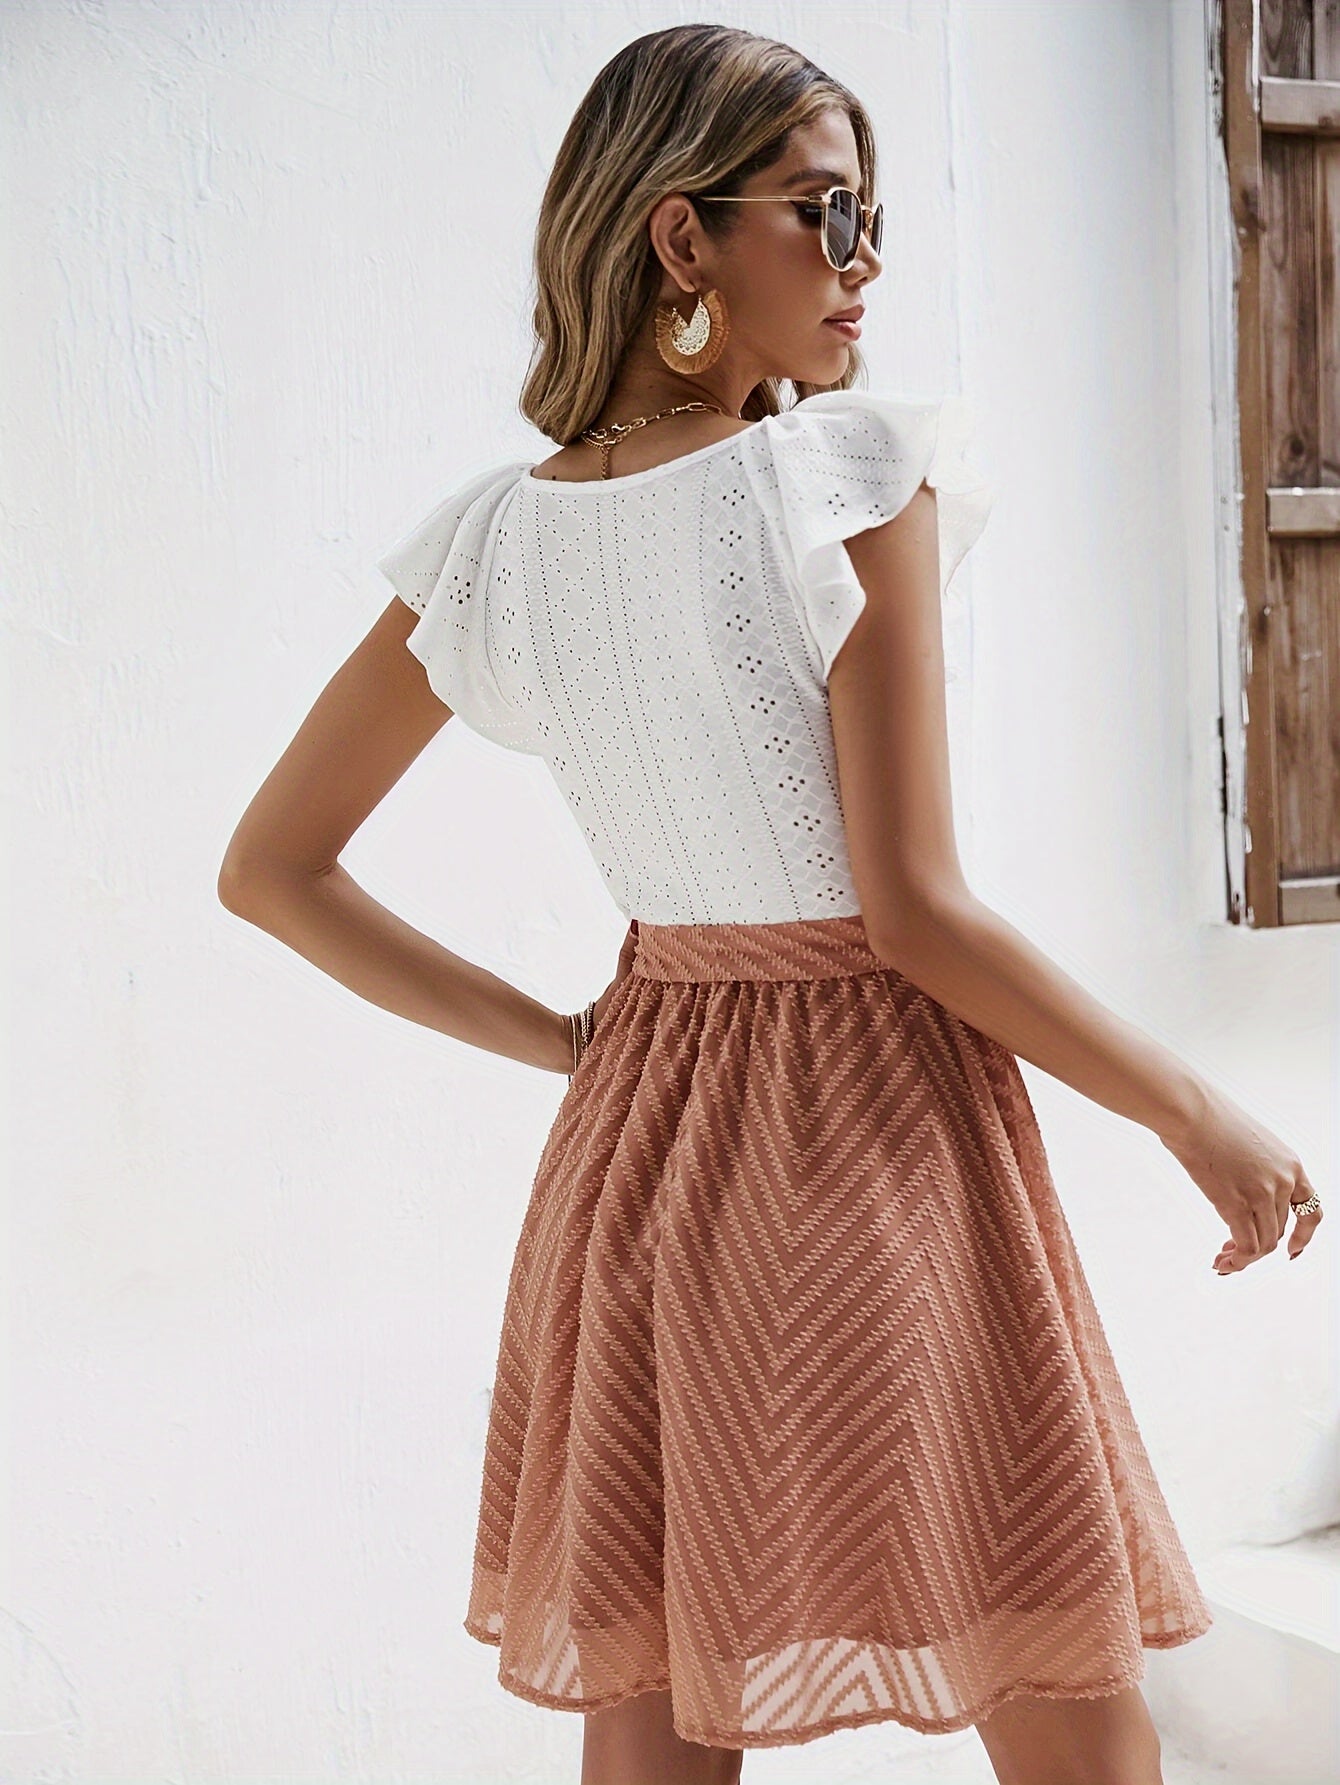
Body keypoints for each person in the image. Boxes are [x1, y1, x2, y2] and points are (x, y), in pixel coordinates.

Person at [217, 23, 1323, 1785]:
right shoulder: (840, 476)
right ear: (683, 236)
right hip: (873, 1134)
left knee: (657, 1705)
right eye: (828, 211)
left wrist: (576, 1045)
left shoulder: (493, 542)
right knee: (1061, 1678)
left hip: (642, 1159)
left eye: (871, 216)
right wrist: (1193, 1109)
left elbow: (271, 867)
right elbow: (915, 916)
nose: (867, 263)